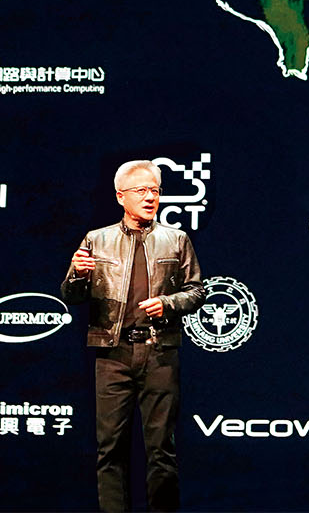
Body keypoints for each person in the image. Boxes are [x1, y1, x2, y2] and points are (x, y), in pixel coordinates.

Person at [62, 160, 206, 512]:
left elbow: (197, 291)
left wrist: (168, 304)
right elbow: (71, 295)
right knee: (110, 448)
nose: (150, 197)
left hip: (159, 353)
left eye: (155, 190)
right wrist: (78, 275)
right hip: (113, 355)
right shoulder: (96, 240)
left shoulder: (176, 240)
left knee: (161, 449)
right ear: (120, 196)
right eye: (141, 190)